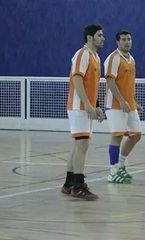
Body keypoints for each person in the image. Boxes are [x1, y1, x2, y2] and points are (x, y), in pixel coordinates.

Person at [61, 24, 105, 200]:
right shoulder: (83, 54)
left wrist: (96, 105)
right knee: (82, 143)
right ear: (89, 37)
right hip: (78, 106)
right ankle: (78, 186)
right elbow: (77, 77)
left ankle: (69, 183)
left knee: (79, 144)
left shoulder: (96, 57)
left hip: (85, 105)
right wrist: (87, 103)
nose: (103, 38)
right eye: (99, 35)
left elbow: (91, 85)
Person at [104, 31, 142, 184]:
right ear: (117, 42)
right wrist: (121, 101)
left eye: (130, 39)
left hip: (129, 104)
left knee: (136, 135)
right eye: (124, 39)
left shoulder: (131, 59)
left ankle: (121, 165)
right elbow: (110, 81)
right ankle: (113, 172)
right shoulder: (113, 58)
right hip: (115, 104)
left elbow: (129, 84)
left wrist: (133, 100)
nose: (128, 42)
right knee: (117, 135)